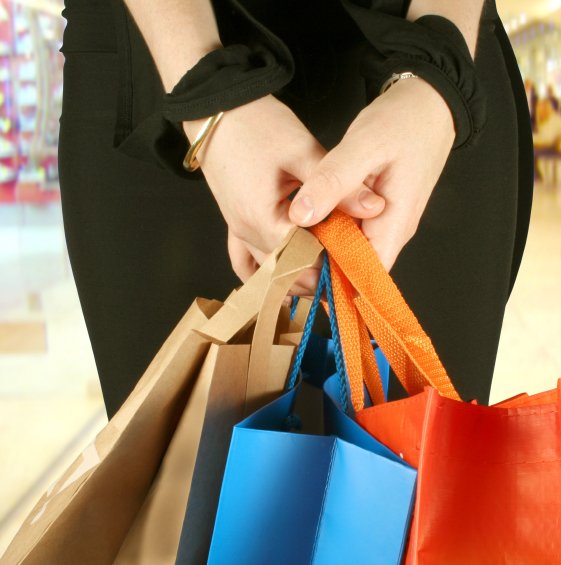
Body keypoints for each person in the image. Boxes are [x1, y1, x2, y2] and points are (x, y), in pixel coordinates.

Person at [59, 0, 533, 417]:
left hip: (428, 74)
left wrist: (437, 75)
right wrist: (205, 94)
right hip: (161, 55)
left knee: (425, 495)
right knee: (181, 504)